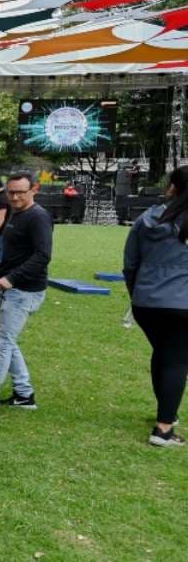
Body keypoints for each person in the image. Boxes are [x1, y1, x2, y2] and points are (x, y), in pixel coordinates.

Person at [124, 165, 188, 447]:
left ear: (172, 186)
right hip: (181, 303)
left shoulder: (147, 218)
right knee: (176, 360)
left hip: (145, 302)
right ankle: (163, 429)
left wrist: (137, 292)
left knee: (163, 353)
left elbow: (130, 263)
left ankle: (167, 411)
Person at [0, 171, 53, 411]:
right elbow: (13, 256)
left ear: (35, 189)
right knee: (8, 340)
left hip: (25, 290)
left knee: (3, 341)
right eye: (10, 192)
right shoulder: (16, 214)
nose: (14, 197)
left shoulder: (38, 217)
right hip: (13, 286)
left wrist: (11, 278)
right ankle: (24, 393)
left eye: (20, 192)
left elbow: (42, 256)